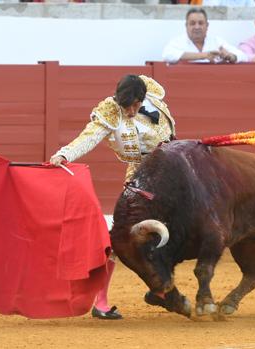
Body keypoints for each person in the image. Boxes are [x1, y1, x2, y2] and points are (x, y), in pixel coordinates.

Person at [49, 74, 176, 320]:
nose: (130, 111)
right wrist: (64, 154)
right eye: (125, 105)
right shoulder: (110, 112)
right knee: (122, 237)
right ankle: (103, 301)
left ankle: (161, 288)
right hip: (142, 176)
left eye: (135, 105)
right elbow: (88, 138)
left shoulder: (153, 92)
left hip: (174, 168)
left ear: (143, 98)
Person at [162, 8, 247, 64]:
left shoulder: (216, 41)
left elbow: (243, 56)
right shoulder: (177, 42)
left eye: (201, 23)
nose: (197, 27)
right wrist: (204, 55)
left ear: (207, 25)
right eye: (192, 23)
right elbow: (167, 55)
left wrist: (231, 56)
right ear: (186, 25)